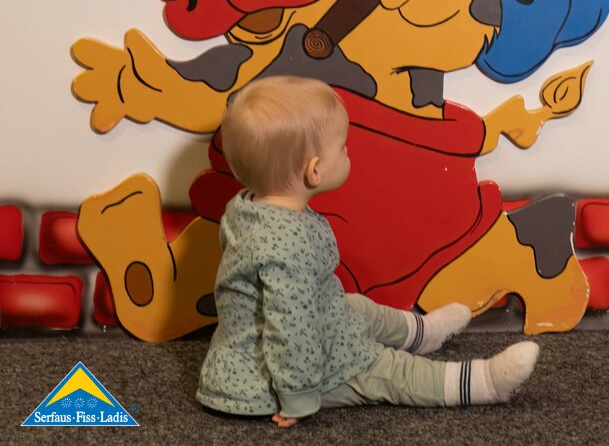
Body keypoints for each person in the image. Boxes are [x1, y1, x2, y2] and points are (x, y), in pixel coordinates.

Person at [196, 75, 538, 426]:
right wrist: (298, 396)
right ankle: (483, 382)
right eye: (342, 146)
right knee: (384, 371)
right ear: (314, 171)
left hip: (273, 336)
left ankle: (424, 333)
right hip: (269, 379)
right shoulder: (284, 245)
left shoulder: (250, 207)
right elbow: (291, 330)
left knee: (358, 307)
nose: (348, 152)